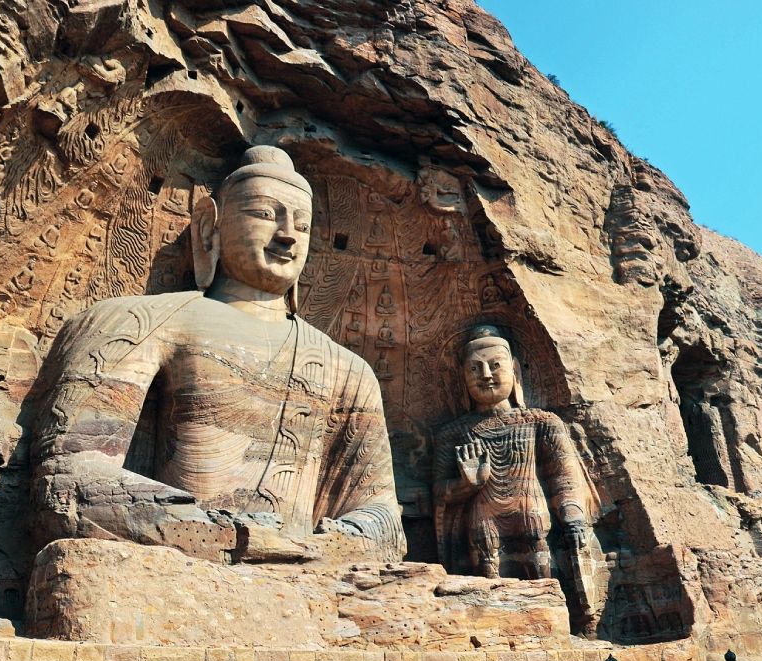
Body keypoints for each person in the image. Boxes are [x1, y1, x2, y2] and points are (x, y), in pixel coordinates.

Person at [30, 146, 405, 564]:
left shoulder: (347, 370)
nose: (287, 235)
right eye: (265, 214)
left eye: (302, 225)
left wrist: (318, 546)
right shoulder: (142, 321)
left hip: (304, 569)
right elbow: (68, 477)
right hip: (174, 564)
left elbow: (384, 521)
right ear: (210, 225)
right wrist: (224, 535)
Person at [431, 325, 595, 608]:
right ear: (462, 379)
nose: (485, 375)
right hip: (484, 526)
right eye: (474, 369)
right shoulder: (453, 434)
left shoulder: (542, 422)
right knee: (489, 596)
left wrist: (574, 518)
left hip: (534, 521)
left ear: (516, 371)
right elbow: (438, 493)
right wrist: (466, 485)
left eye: (495, 366)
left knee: (546, 589)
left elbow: (564, 478)